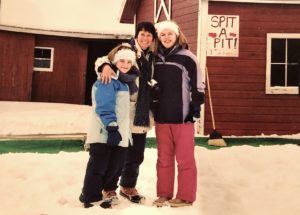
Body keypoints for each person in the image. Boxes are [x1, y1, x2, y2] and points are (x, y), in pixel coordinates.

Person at [94, 21, 156, 204]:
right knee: (118, 153)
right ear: (137, 35)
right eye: (142, 34)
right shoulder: (125, 48)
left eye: (149, 35)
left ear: (153, 39)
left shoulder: (152, 55)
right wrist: (105, 67)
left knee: (136, 154)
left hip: (142, 111)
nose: (145, 38)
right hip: (123, 109)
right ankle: (109, 188)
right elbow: (103, 59)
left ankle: (128, 186)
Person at [151, 20, 205, 207]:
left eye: (170, 34)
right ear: (158, 38)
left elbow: (198, 85)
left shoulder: (188, 57)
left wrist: (195, 108)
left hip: (183, 117)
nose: (166, 37)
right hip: (162, 117)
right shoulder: (154, 58)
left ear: (177, 35)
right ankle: (164, 194)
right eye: (162, 34)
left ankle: (185, 196)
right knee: (163, 159)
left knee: (185, 159)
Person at [79, 43, 138, 209]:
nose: (125, 65)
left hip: (118, 135)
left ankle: (105, 194)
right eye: (121, 61)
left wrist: (125, 135)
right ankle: (90, 196)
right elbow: (104, 106)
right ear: (114, 63)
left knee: (114, 167)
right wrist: (111, 127)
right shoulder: (108, 80)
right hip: (104, 132)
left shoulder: (124, 84)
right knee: (98, 166)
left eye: (128, 62)